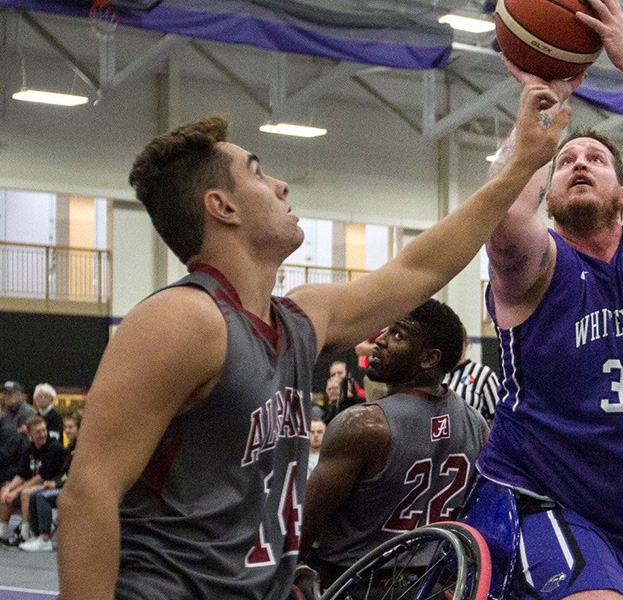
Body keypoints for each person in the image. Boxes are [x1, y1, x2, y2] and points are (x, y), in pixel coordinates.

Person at [58, 83, 570, 600]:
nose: (281, 186)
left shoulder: (299, 320)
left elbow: (423, 265)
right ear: (222, 207)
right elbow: (87, 494)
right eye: (257, 174)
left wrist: (521, 164)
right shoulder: (182, 319)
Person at [468, 0, 623, 596]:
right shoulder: (536, 264)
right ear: (548, 195)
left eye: (597, 159)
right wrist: (543, 110)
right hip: (533, 500)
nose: (579, 162)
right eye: (566, 163)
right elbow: (503, 218)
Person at [301, 300, 489, 586]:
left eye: (398, 335)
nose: (380, 341)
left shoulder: (364, 424)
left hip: (353, 583)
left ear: (428, 359)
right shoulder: (477, 425)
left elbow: (303, 527)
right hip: (432, 585)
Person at [0, 416, 66, 544]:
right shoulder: (29, 448)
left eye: (44, 430)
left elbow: (42, 477)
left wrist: (17, 491)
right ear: (30, 434)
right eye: (38, 432)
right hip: (35, 483)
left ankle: (25, 534)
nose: (42, 434)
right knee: (5, 490)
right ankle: (2, 530)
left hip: (51, 485)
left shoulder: (54, 447)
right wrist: (9, 488)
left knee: (26, 493)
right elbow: (22, 474)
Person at [20, 413, 80, 552]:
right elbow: (63, 473)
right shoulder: (70, 447)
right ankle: (36, 536)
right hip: (66, 487)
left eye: (71, 427)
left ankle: (45, 538)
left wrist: (56, 484)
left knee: (42, 497)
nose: (67, 430)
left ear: (79, 428)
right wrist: (53, 482)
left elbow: (76, 476)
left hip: (77, 491)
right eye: (66, 427)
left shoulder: (80, 448)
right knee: (35, 494)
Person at [443, 325, 501, 424]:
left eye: (458, 344)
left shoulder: (483, 374)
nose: (453, 349)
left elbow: (498, 416)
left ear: (465, 345)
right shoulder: (438, 375)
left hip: (475, 437)